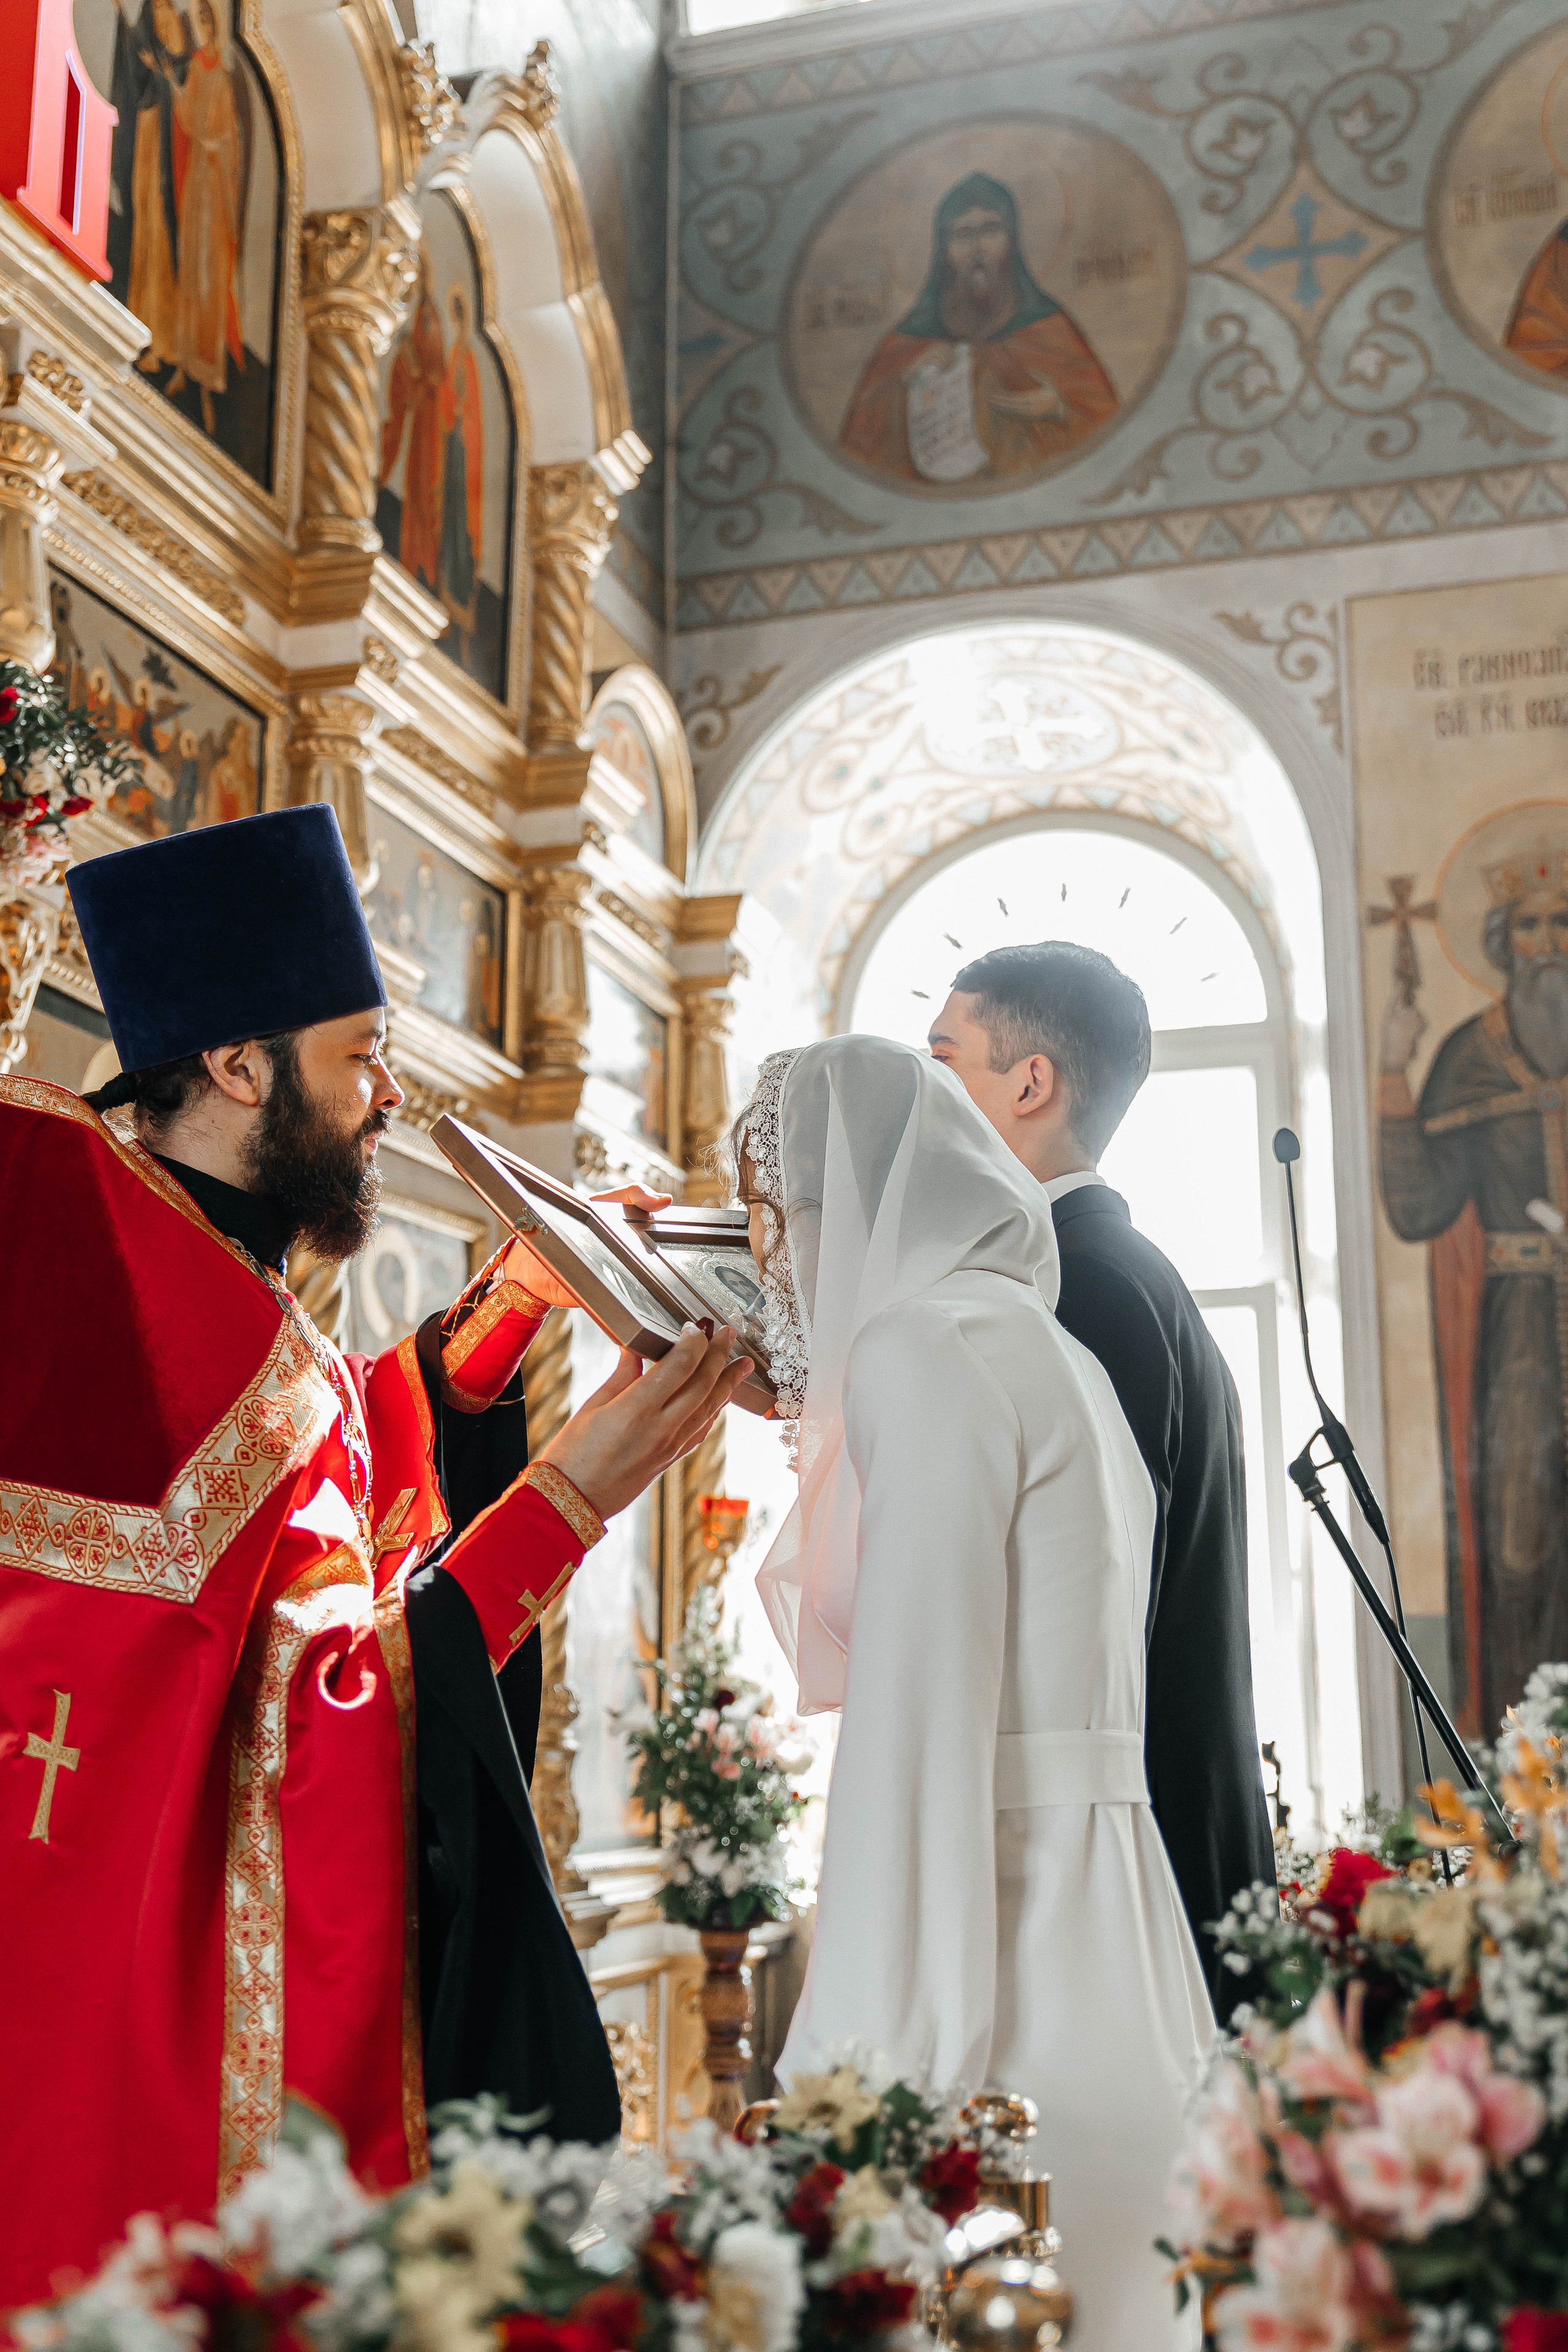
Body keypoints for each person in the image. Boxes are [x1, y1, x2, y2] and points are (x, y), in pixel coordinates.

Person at [0, 805, 751, 2311]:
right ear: (235, 1066)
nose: (388, 1092)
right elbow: (308, 1731)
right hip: (121, 1988)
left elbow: (333, 1466)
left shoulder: (184, 1251)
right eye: (358, 1052)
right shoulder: (122, 1298)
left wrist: (513, 1307)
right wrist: (567, 1493)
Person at [735, 1035, 1212, 2352]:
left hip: (1004, 1978)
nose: (771, 1266)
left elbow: (919, 1728)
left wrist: (868, 2071)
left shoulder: (918, 1348)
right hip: (1121, 1946)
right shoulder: (1042, 1350)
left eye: (775, 1221)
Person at [927, 942, 1275, 2017]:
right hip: (1175, 1829)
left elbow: (1092, 1602)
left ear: (1029, 1084)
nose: (919, 1099)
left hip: (1141, 1858)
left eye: (944, 1064)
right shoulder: (1124, 1268)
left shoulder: (1079, 1288)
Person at [1379, 846, 1568, 1733]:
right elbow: (1419, 1207)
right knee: (1519, 1536)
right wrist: (1392, 1074)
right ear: (1502, 943)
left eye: (1561, 923)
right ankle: (1529, 1761)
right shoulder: (1470, 1057)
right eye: (1530, 926)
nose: (1549, 944)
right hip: (1521, 1325)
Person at [838, 172, 1117, 486]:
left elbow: (1106, 422)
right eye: (962, 235)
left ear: (1012, 242)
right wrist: (908, 385)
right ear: (943, 251)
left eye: (991, 229)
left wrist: (1057, 405)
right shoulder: (907, 343)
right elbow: (859, 449)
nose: (977, 249)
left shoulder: (1049, 329)